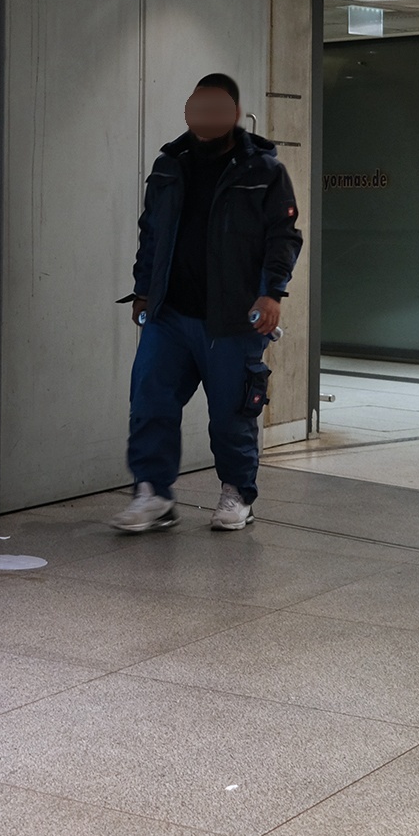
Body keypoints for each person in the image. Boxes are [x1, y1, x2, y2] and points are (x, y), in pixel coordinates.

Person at [111, 74, 302, 533]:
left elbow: (283, 236)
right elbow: (151, 233)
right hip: (169, 314)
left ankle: (238, 494)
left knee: (231, 415)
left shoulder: (263, 170)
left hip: (232, 318)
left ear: (234, 114)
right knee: (150, 404)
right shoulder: (169, 165)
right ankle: (153, 495)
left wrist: (272, 293)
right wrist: (143, 291)